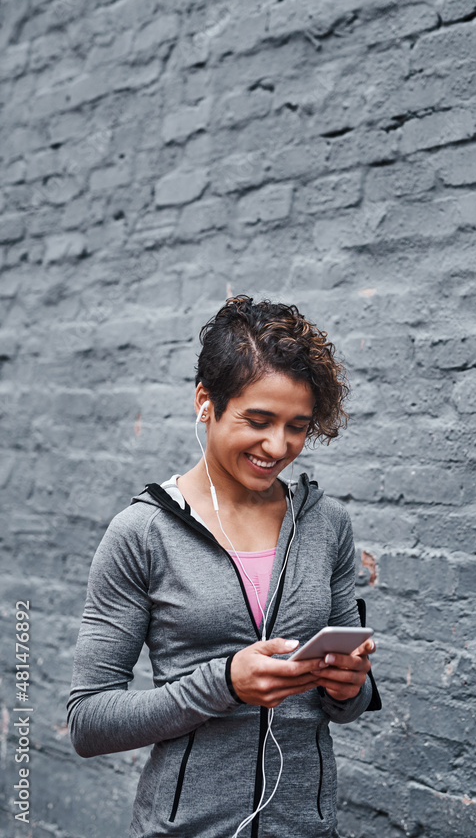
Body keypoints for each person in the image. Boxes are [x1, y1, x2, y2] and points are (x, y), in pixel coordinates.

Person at [67, 294, 380, 838]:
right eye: (257, 420)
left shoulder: (328, 525)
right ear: (205, 401)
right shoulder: (142, 533)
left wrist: (350, 686)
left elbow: (347, 707)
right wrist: (224, 684)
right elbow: (88, 724)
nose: (277, 445)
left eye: (297, 426)